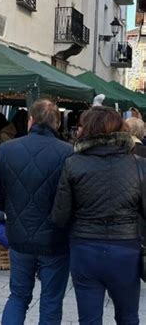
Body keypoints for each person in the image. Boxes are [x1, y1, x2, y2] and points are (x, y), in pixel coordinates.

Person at [51, 106, 144, 325]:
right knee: (128, 316)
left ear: (88, 130)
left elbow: (60, 215)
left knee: (89, 320)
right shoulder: (139, 165)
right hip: (126, 250)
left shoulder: (73, 164)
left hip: (85, 249)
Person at [0, 99, 73, 325]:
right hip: (56, 239)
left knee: (18, 296)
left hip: (19, 236)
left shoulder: (6, 150)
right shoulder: (69, 153)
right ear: (58, 124)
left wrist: (7, 215)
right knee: (51, 301)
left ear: (30, 120)